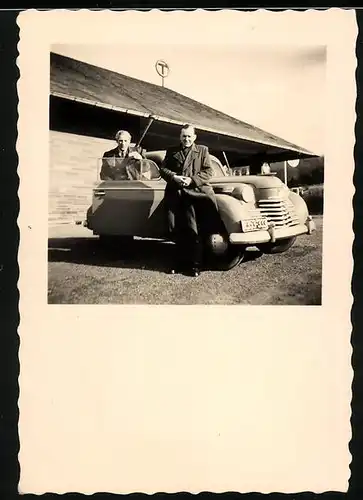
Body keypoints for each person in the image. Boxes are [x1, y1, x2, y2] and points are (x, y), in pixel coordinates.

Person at [160, 124, 222, 277]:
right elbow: (163, 169)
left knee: (193, 230)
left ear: (194, 137)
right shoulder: (172, 151)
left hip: (195, 194)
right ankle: (178, 264)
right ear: (180, 137)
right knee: (174, 229)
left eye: (189, 136)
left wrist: (191, 180)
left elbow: (208, 171)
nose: (186, 139)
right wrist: (174, 177)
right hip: (175, 194)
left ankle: (195, 266)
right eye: (184, 136)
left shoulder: (202, 151)